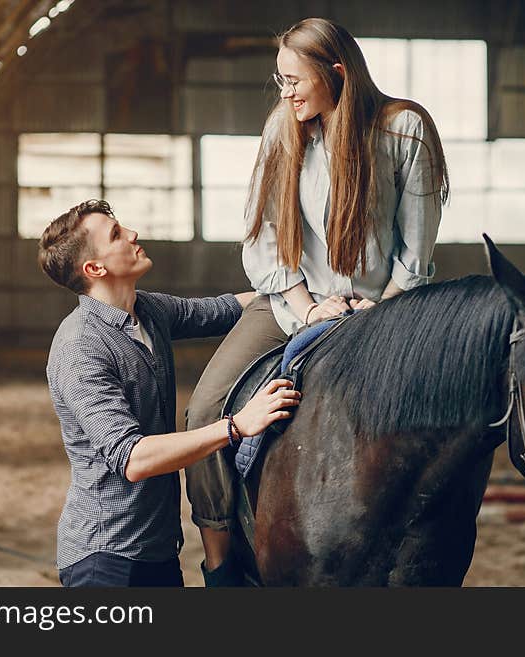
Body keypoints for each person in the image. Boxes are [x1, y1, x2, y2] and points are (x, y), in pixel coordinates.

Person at [185, 17, 449, 585]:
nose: (285, 92)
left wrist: (378, 314)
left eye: (293, 80)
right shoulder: (283, 129)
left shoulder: (405, 130)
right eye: (279, 81)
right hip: (292, 301)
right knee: (204, 409)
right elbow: (262, 239)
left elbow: (416, 253)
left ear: (336, 72)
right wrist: (307, 308)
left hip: (387, 311)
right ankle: (220, 563)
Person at [39, 199, 300, 587]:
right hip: (106, 559)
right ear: (95, 268)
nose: (132, 234)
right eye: (116, 235)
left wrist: (303, 294)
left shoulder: (148, 311)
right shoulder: (80, 347)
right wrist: (236, 426)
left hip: (158, 550)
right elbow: (133, 459)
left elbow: (228, 307)